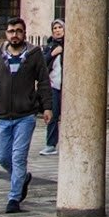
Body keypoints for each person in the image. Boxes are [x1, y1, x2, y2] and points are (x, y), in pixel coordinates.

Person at [0, 17, 52, 214]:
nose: (14, 35)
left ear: (24, 33)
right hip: (3, 115)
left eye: (18, 31)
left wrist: (47, 107)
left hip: (25, 114)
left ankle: (14, 198)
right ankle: (22, 178)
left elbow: (43, 82)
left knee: (18, 157)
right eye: (11, 31)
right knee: (2, 157)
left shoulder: (34, 55)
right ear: (6, 34)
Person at [43, 19, 66, 155]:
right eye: (55, 28)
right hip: (54, 85)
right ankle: (51, 144)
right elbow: (43, 62)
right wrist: (53, 53)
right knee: (53, 114)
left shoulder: (70, 44)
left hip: (67, 86)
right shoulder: (50, 46)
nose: (57, 30)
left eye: (60, 27)